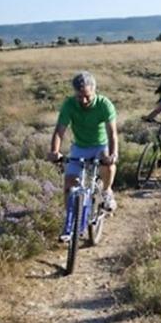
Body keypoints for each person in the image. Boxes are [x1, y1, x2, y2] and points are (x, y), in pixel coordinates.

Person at [48, 71, 118, 241]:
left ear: (94, 91)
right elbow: (59, 131)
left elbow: (112, 134)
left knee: (107, 165)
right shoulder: (69, 105)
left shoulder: (104, 104)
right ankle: (71, 222)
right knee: (70, 183)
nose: (84, 100)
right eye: (80, 97)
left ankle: (107, 191)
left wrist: (113, 154)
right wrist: (54, 151)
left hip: (100, 145)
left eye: (87, 96)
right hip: (80, 146)